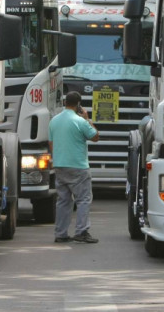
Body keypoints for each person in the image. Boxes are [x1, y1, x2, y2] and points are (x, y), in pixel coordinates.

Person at [49, 91, 100, 243]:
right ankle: (82, 231)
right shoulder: (80, 121)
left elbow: (51, 144)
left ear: (65, 102)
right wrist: (88, 119)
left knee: (63, 200)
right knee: (83, 199)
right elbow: (95, 137)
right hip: (78, 166)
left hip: (60, 165)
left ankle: (61, 233)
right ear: (78, 105)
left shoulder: (54, 121)